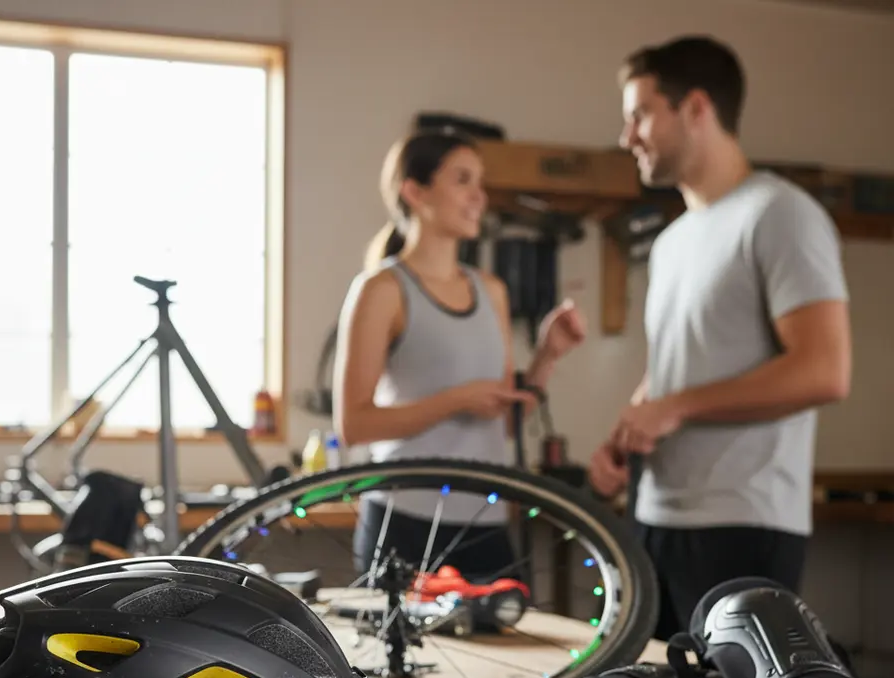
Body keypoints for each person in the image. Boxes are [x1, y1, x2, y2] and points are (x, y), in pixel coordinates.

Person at [589, 36, 852, 641]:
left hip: (741, 527)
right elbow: (680, 365)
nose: (627, 136)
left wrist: (674, 408)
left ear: (696, 108)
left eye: (639, 114)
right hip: (654, 520)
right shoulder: (672, 240)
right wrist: (630, 430)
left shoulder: (780, 214)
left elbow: (824, 369)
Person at [334, 129, 586, 580]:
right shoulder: (382, 290)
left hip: (483, 519)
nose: (479, 196)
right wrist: (456, 400)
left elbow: (505, 418)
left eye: (480, 182)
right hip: (403, 519)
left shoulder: (492, 291)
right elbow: (353, 425)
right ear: (415, 191)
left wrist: (547, 356)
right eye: (463, 180)